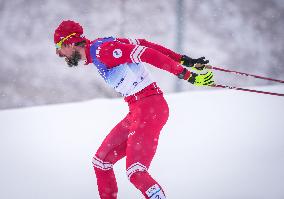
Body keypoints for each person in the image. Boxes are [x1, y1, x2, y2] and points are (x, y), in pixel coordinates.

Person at [54, 20, 214, 199]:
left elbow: (146, 53)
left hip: (149, 108)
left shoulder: (103, 51)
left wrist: (187, 75)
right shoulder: (99, 47)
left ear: (70, 42)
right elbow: (143, 44)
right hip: (138, 109)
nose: (59, 53)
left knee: (136, 172)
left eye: (58, 47)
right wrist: (184, 60)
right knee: (101, 162)